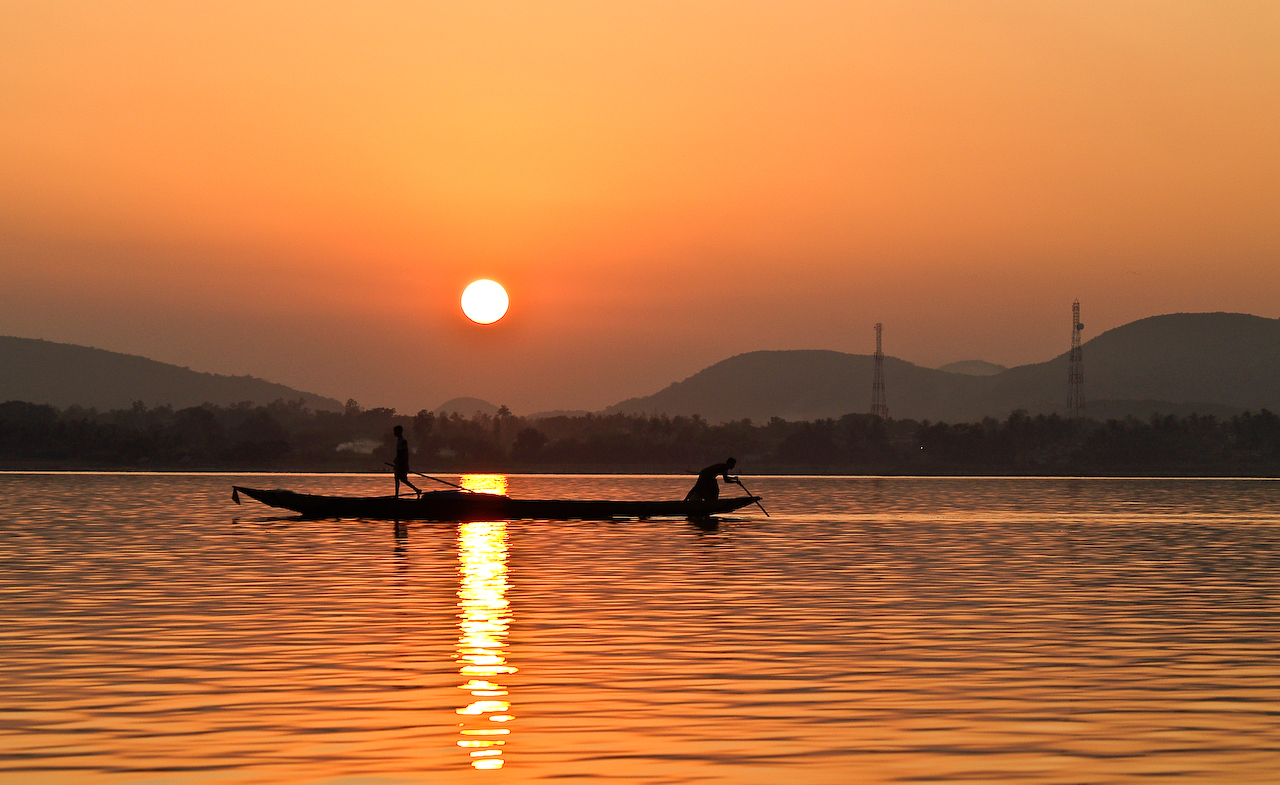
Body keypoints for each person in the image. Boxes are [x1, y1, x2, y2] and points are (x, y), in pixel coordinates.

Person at [392, 425, 421, 498]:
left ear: (399, 432)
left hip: (402, 463)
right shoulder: (398, 441)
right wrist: (396, 459)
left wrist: (404, 464)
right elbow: (399, 453)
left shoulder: (403, 441)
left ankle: (397, 495)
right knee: (399, 479)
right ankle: (397, 494)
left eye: (395, 431)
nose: (394, 433)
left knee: (401, 479)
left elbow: (404, 453)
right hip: (399, 463)